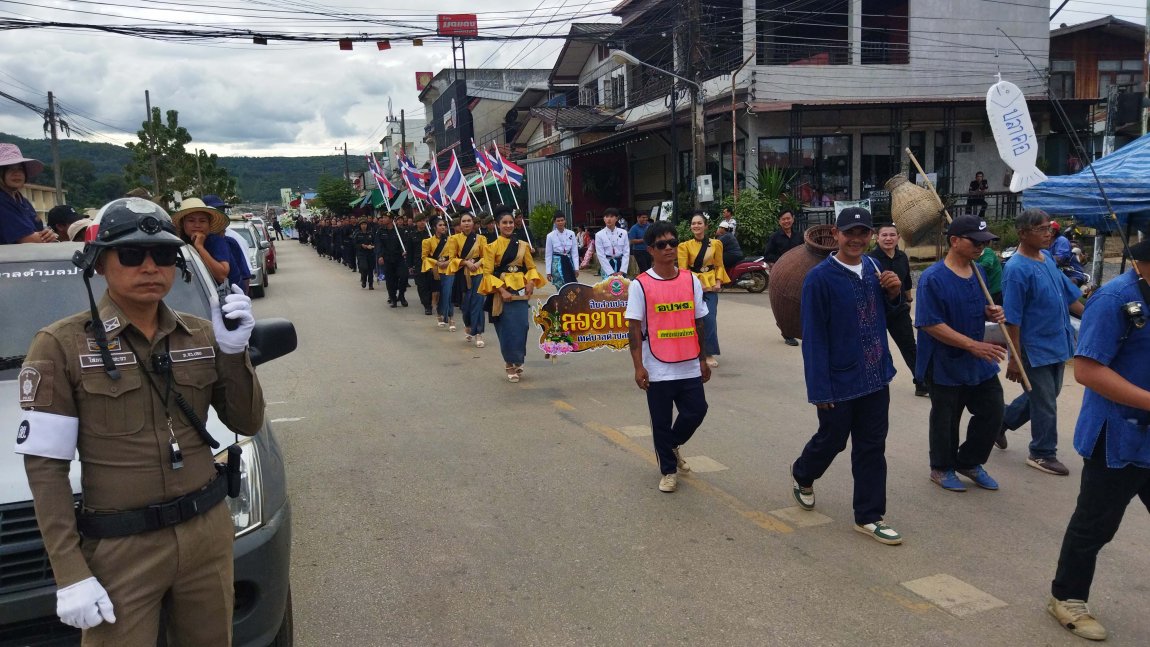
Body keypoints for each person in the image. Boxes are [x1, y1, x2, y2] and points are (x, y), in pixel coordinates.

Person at [16, 197, 262, 644]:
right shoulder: (60, 345)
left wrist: (233, 355)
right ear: (99, 264)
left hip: (206, 534)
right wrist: (69, 571)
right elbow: (45, 469)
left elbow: (246, 418)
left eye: (164, 255)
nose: (150, 266)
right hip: (121, 548)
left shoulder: (202, 333)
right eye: (131, 254)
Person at [1046, 240, 1150, 642]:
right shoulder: (1114, 300)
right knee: (1095, 525)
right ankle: (1066, 597)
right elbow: (1088, 371)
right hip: (1117, 437)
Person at [790, 206, 905, 545]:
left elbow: (891, 316)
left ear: (871, 236)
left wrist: (895, 294)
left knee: (872, 447)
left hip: (875, 376)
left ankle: (869, 516)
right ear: (837, 235)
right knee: (833, 439)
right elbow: (813, 339)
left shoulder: (873, 267)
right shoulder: (819, 279)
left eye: (863, 233)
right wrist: (820, 391)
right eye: (849, 233)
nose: (856, 239)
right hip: (839, 381)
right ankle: (803, 473)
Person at [915, 215, 1009, 492]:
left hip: (978, 360)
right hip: (945, 361)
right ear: (954, 241)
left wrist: (990, 312)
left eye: (985, 242)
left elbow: (975, 306)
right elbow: (930, 323)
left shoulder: (978, 272)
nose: (982, 247)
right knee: (947, 418)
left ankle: (969, 461)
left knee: (993, 411)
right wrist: (971, 344)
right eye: (976, 241)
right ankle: (941, 467)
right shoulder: (932, 279)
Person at [997, 209, 1084, 476]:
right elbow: (1012, 318)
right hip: (1033, 348)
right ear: (1023, 233)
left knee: (1047, 393)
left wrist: (1095, 317)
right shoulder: (1016, 269)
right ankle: (1043, 453)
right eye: (1042, 229)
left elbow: (1070, 297)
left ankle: (1000, 422)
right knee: (1045, 400)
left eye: (1050, 228)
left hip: (1058, 341)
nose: (1049, 233)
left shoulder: (1046, 258)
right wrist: (1015, 357)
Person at [626, 220, 711, 493]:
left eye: (673, 243)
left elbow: (699, 321)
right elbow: (634, 328)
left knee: (697, 410)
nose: (669, 248)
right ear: (650, 249)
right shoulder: (640, 285)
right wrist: (638, 367)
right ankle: (668, 470)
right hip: (657, 365)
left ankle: (671, 446)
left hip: (688, 363)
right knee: (660, 420)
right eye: (662, 244)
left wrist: (703, 358)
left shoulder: (691, 280)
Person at [478, 206, 546, 382]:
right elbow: (488, 273)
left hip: (520, 292)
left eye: (510, 222)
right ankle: (510, 363)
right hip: (502, 292)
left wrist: (531, 282)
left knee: (522, 326)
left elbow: (530, 268)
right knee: (507, 329)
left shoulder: (523, 245)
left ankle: (518, 358)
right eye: (504, 223)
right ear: (498, 225)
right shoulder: (491, 247)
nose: (508, 225)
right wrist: (501, 290)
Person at [867, 223, 926, 397]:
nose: (888, 238)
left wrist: (908, 300)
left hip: (899, 310)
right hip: (877, 311)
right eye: (884, 235)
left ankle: (921, 382)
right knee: (876, 349)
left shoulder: (902, 257)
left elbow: (907, 281)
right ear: (877, 238)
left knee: (909, 346)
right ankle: (875, 382)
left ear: (898, 237)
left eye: (892, 235)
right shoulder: (870, 260)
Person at [678, 212, 729, 368]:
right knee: (690, 320)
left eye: (699, 223)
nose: (696, 226)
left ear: (706, 226)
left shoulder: (716, 244)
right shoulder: (684, 246)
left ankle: (708, 352)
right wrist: (691, 284)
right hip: (691, 285)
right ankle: (689, 351)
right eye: (693, 223)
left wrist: (719, 281)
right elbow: (682, 269)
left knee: (709, 319)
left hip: (711, 285)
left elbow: (719, 264)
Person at [0, 143, 56, 244]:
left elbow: (40, 232)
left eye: (20, 169)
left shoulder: (22, 201)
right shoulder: (2, 201)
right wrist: (48, 237)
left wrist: (48, 234)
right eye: (9, 169)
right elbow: (27, 239)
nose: (17, 173)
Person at [171, 198, 233, 286]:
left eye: (202, 221)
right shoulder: (179, 244)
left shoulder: (216, 242)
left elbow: (222, 276)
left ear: (209, 224)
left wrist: (200, 247)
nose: (197, 225)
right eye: (191, 221)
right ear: (182, 223)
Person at [764, 210, 803, 345]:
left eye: (788, 218)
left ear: (793, 219)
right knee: (784, 305)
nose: (786, 221)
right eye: (783, 219)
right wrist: (782, 261)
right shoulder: (775, 237)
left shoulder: (799, 236)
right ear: (779, 221)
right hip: (782, 276)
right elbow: (768, 255)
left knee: (800, 303)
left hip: (799, 275)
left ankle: (802, 330)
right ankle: (787, 334)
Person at [449, 212, 487, 348]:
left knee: (478, 302)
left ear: (473, 223)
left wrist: (477, 264)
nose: (466, 223)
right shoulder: (453, 239)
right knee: (465, 305)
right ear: (460, 224)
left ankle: (478, 333)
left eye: (469, 220)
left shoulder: (481, 238)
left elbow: (485, 256)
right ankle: (468, 324)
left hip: (478, 273)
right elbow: (452, 258)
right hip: (462, 274)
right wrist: (465, 263)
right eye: (464, 221)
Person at [421, 217, 454, 328]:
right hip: (436, 270)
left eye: (444, 225)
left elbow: (455, 255)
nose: (443, 227)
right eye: (440, 225)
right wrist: (437, 263)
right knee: (440, 293)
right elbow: (424, 257)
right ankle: (440, 313)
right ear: (434, 227)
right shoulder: (428, 241)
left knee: (448, 293)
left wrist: (448, 262)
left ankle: (450, 317)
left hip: (449, 268)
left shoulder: (451, 240)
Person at [376, 212, 409, 307]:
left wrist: (405, 250)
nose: (383, 219)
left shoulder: (400, 231)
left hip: (399, 258)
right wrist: (380, 256)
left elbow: (405, 243)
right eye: (383, 217)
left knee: (403, 276)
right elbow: (379, 245)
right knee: (390, 280)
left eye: (386, 217)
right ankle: (393, 298)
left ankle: (402, 295)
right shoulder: (380, 231)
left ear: (391, 220)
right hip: (387, 259)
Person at [544, 212, 579, 290]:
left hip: (568, 262)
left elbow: (574, 252)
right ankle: (561, 301)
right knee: (560, 286)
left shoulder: (571, 233)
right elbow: (548, 255)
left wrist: (576, 268)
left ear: (565, 221)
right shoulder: (550, 236)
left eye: (562, 220)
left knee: (571, 286)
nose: (560, 222)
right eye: (558, 221)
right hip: (557, 264)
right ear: (555, 222)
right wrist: (548, 272)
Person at [594, 208, 630, 279]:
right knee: (607, 288)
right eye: (606, 217)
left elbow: (626, 252)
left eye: (611, 216)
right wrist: (611, 272)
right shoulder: (599, 235)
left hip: (620, 264)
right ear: (604, 219)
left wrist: (622, 270)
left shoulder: (623, 233)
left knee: (621, 288)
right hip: (607, 265)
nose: (609, 219)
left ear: (616, 218)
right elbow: (600, 255)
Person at [352, 218, 377, 290]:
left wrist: (373, 246)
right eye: (362, 224)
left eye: (365, 224)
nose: (364, 226)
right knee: (364, 267)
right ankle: (363, 280)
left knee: (370, 269)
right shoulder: (357, 233)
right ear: (360, 225)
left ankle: (371, 284)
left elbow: (375, 242)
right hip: (361, 253)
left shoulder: (370, 233)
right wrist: (361, 245)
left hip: (370, 253)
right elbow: (354, 244)